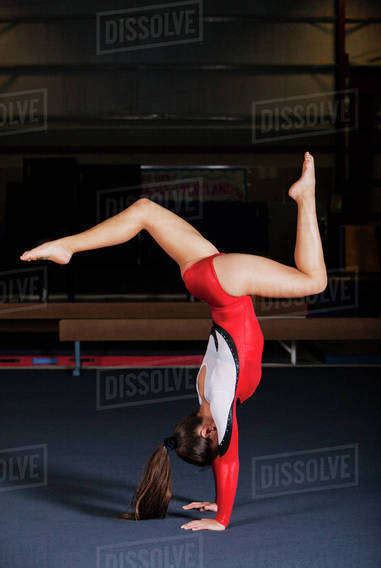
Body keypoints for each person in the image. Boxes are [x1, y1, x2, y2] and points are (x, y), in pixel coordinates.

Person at [20, 152, 327, 531]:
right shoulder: (207, 396)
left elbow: (228, 458)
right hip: (203, 279)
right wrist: (216, 502)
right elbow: (220, 454)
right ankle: (68, 246)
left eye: (213, 438)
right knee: (146, 211)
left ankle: (304, 196)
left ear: (206, 431)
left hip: (226, 287)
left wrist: (222, 518)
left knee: (314, 282)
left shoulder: (217, 397)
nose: (221, 438)